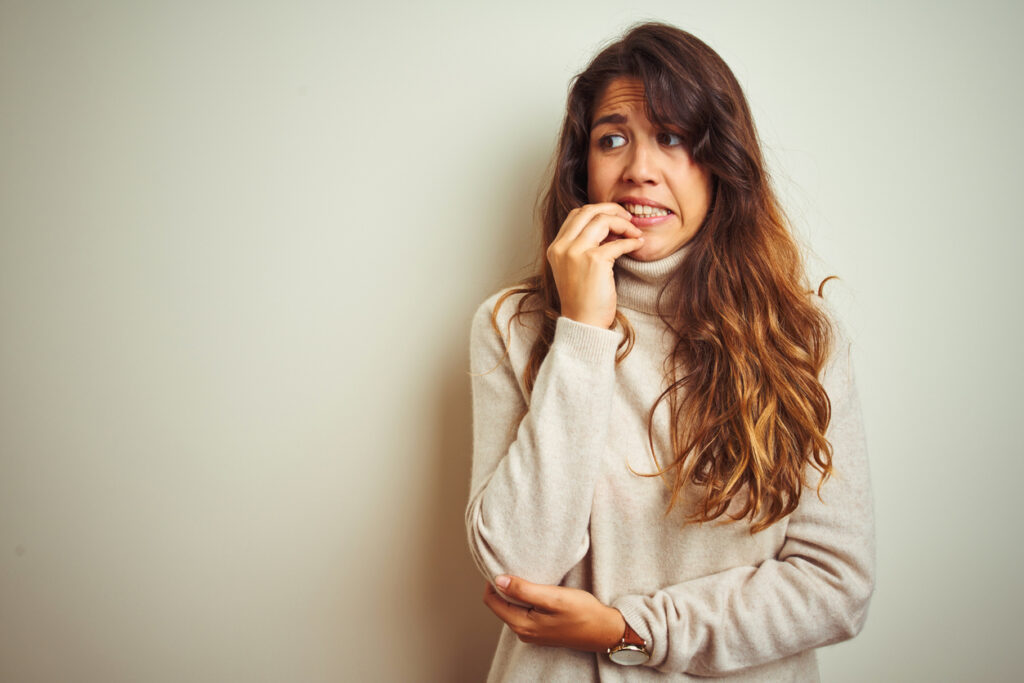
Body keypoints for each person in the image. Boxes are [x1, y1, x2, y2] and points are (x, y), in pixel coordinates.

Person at [465, 21, 874, 681]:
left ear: (721, 162)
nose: (639, 171)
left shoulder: (802, 336)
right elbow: (519, 566)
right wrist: (584, 331)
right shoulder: (514, 325)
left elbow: (834, 584)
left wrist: (630, 627)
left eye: (674, 138)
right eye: (613, 139)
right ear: (583, 166)